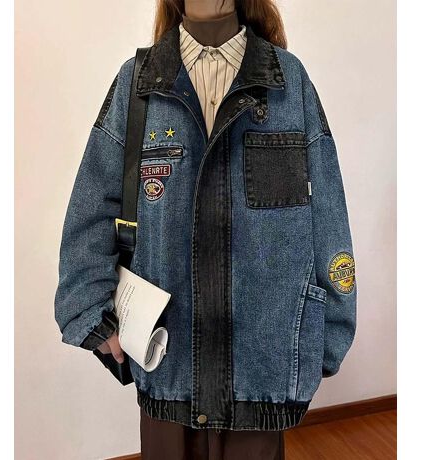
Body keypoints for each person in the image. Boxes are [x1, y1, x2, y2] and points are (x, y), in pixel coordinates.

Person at [54, 0, 357, 458]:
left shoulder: (288, 82)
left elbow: (329, 217)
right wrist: (91, 314)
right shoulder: (138, 84)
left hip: (262, 372)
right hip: (168, 368)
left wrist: (325, 336)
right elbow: (92, 207)